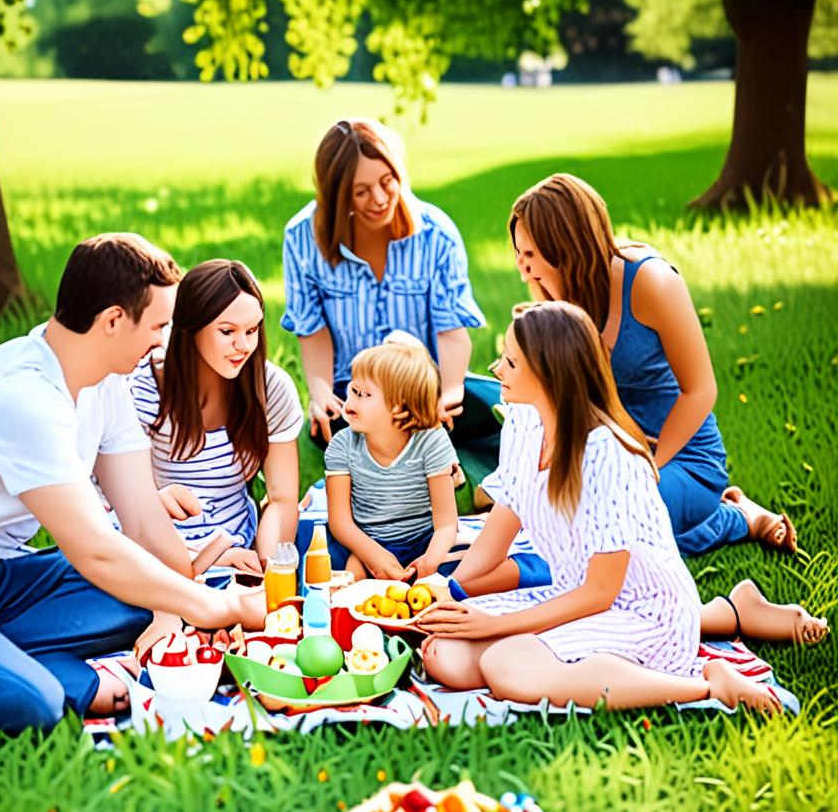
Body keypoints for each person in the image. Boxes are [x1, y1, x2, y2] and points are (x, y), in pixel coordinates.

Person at [0, 234, 266, 742]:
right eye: (156, 326)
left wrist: (192, 599)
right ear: (112, 321)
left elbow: (146, 527)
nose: (163, 339)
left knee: (144, 598)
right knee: (32, 703)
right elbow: (95, 552)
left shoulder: (104, 381)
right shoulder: (24, 400)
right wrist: (213, 608)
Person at [419, 302, 782, 713]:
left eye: (511, 362)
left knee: (504, 664)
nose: (497, 369)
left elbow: (601, 592)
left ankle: (706, 685)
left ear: (549, 375)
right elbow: (504, 518)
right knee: (442, 652)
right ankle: (566, 665)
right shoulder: (522, 421)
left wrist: (497, 625)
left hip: (645, 614)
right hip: (569, 595)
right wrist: (451, 592)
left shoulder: (609, 454)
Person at [504, 172, 796, 558]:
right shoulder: (554, 295)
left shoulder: (651, 282)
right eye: (518, 255)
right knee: (557, 517)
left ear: (565, 245)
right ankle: (725, 514)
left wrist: (647, 467)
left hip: (679, 457)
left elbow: (701, 390)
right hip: (609, 454)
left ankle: (735, 517)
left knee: (612, 526)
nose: (523, 270)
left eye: (531, 255)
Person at [281, 118, 500, 471]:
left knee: (504, 417)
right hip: (352, 395)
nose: (380, 199)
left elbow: (450, 329)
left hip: (422, 392)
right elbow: (313, 329)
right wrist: (320, 390)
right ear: (337, 193)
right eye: (361, 191)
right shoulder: (303, 238)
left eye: (387, 182)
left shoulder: (436, 234)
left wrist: (451, 391)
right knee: (345, 430)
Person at [129, 260, 302, 572]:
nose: (244, 346)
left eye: (252, 330)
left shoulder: (271, 389)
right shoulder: (146, 388)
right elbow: (132, 508)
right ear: (191, 328)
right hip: (157, 551)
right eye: (227, 332)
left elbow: (282, 499)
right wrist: (209, 557)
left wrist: (270, 566)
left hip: (238, 545)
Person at [325, 340, 458, 581]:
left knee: (463, 570)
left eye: (362, 394)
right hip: (366, 542)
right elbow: (340, 522)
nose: (350, 402)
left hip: (424, 540)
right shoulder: (342, 445)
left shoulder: (432, 442)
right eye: (351, 389)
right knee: (347, 581)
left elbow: (447, 523)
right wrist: (374, 556)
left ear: (398, 408)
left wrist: (430, 562)